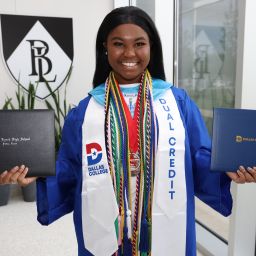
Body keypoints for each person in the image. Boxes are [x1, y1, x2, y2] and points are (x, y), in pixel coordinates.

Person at [0, 6, 256, 256]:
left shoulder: (176, 102)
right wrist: (36, 175)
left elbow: (199, 156)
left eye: (140, 43)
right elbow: (69, 166)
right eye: (118, 43)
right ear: (105, 47)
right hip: (107, 226)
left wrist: (227, 169)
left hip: (165, 222)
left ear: (151, 47)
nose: (129, 53)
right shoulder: (85, 111)